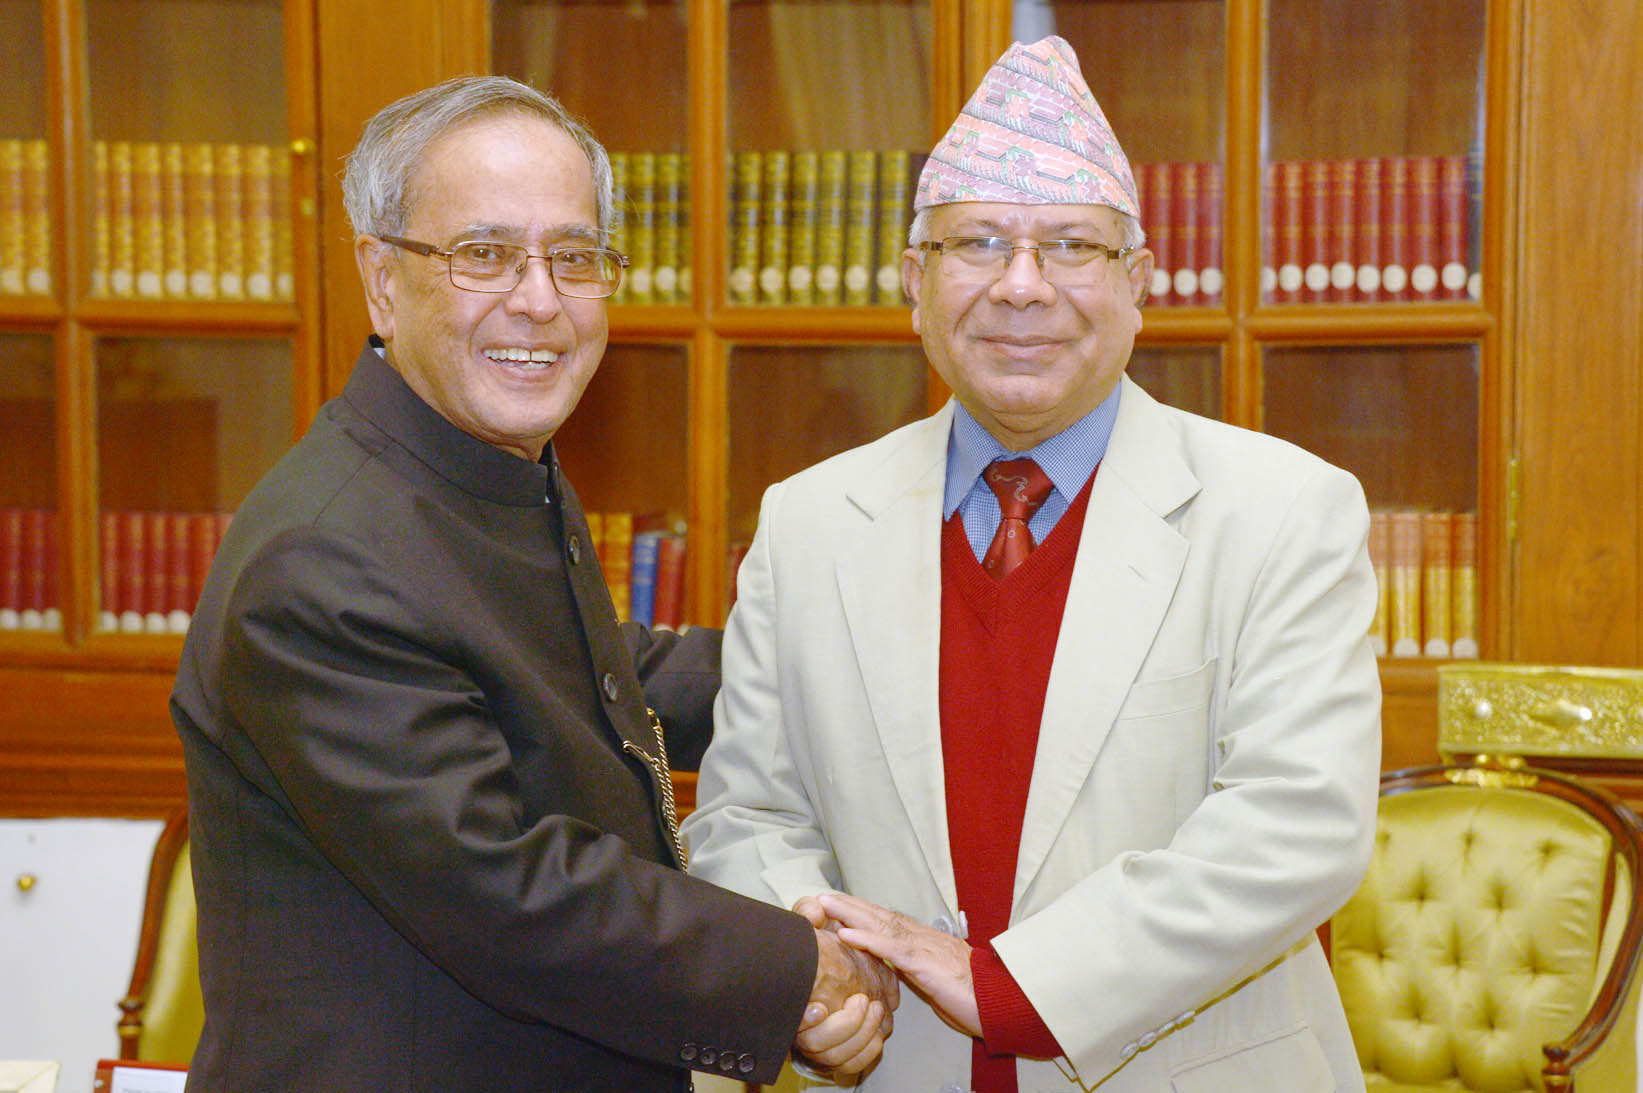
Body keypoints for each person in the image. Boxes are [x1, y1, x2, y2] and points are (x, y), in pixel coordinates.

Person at [681, 36, 1381, 1093]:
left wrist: (1012, 985)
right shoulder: (807, 521)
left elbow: (1299, 822)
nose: (1020, 287)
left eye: (1069, 246)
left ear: (1138, 281)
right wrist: (813, 970)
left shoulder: (1280, 511)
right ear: (914, 280)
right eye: (976, 243)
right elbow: (745, 815)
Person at [170, 75, 895, 1092]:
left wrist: (865, 673)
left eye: (574, 256)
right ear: (381, 279)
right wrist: (796, 971)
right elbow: (502, 892)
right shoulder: (323, 562)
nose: (539, 300)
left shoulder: (473, 468)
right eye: (484, 254)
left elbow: (587, 678)